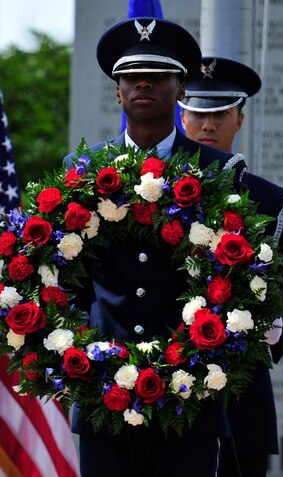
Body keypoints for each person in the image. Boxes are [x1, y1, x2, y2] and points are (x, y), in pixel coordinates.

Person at [65, 18, 249, 477]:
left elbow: (239, 277)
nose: (142, 84)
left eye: (158, 76)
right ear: (117, 91)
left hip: (192, 398)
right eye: (130, 77)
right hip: (103, 393)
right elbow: (66, 277)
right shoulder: (84, 168)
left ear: (181, 87)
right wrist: (77, 351)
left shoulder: (221, 171)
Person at [179, 57, 283, 477]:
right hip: (162, 389)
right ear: (182, 116)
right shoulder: (149, 187)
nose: (209, 124)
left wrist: (274, 330)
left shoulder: (272, 202)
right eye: (199, 112)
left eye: (220, 113)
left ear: (240, 118)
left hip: (241, 394)